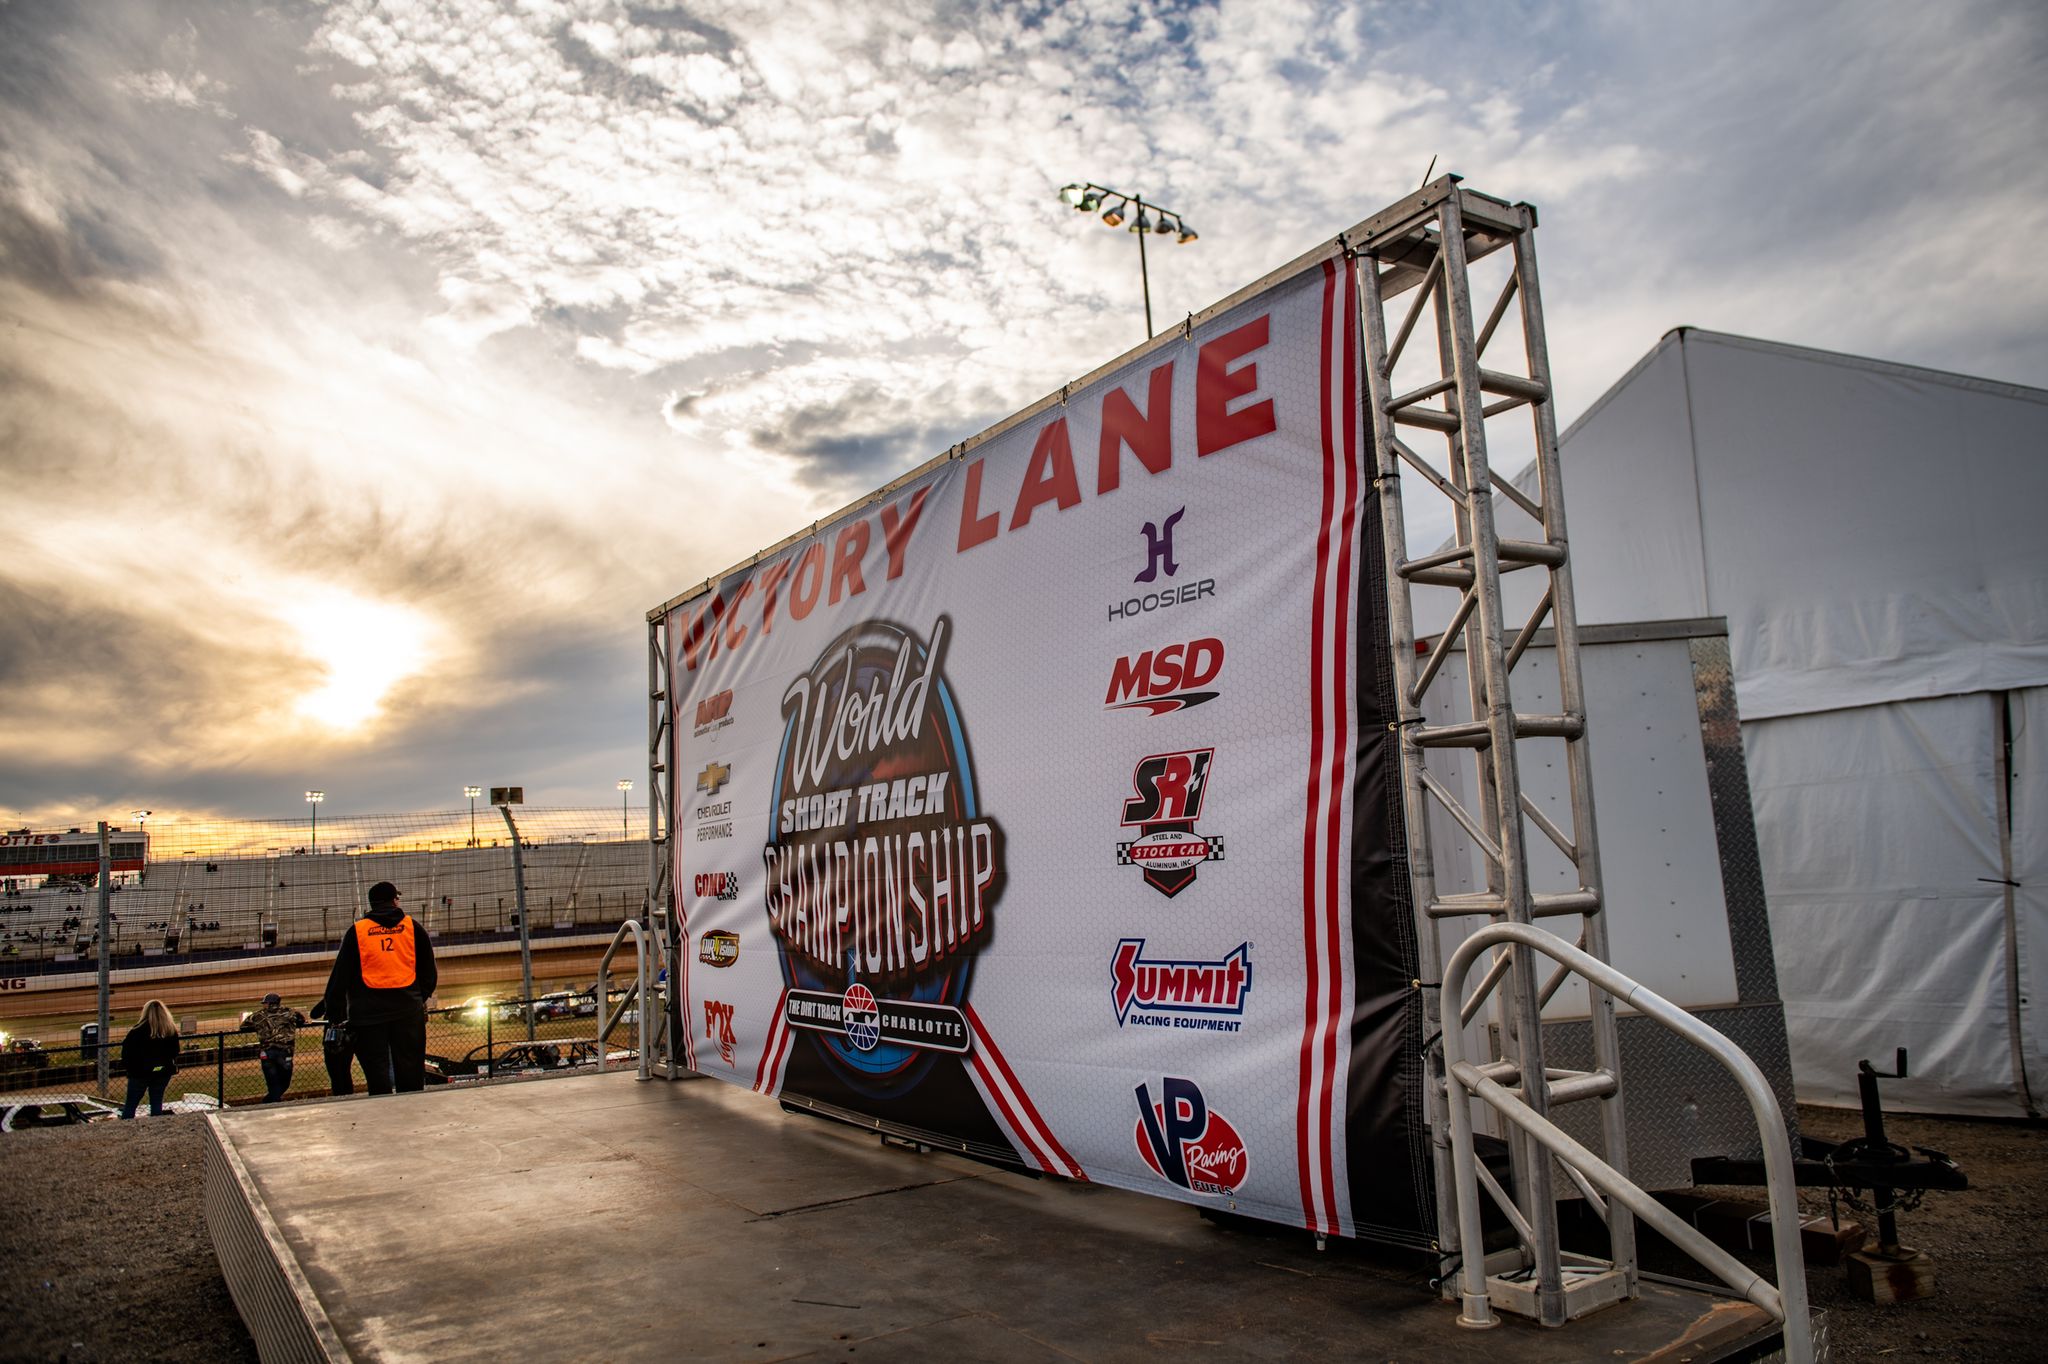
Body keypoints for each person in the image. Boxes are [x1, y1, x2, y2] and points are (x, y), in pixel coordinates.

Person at [321, 881, 436, 1094]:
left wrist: (334, 1011)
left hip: (367, 1015)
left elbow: (340, 976)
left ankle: (382, 1111)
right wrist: (417, 998)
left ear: (372, 904)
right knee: (410, 1067)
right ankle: (413, 1111)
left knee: (377, 1071)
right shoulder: (413, 927)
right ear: (394, 900)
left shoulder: (358, 931)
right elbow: (429, 972)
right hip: (407, 1011)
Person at [120, 999, 180, 1118]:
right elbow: (175, 1051)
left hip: (139, 1073)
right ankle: (156, 1128)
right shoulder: (170, 1030)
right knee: (157, 1102)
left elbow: (126, 1053)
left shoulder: (136, 1031)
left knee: (131, 1105)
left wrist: (131, 1069)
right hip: (162, 1071)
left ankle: (126, 1129)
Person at [248, 991, 307, 1102]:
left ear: (269, 1003)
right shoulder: (290, 1013)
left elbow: (244, 1026)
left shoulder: (258, 1015)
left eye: (265, 1003)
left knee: (272, 1082)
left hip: (267, 1052)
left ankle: (268, 1103)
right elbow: (302, 1020)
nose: (264, 1005)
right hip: (285, 1051)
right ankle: (269, 1102)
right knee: (284, 1082)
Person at [308, 995, 359, 1096]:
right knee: (345, 1070)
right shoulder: (351, 998)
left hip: (332, 1040)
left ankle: (339, 1095)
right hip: (348, 1039)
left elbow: (314, 1014)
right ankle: (348, 1095)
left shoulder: (331, 998)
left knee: (335, 1072)